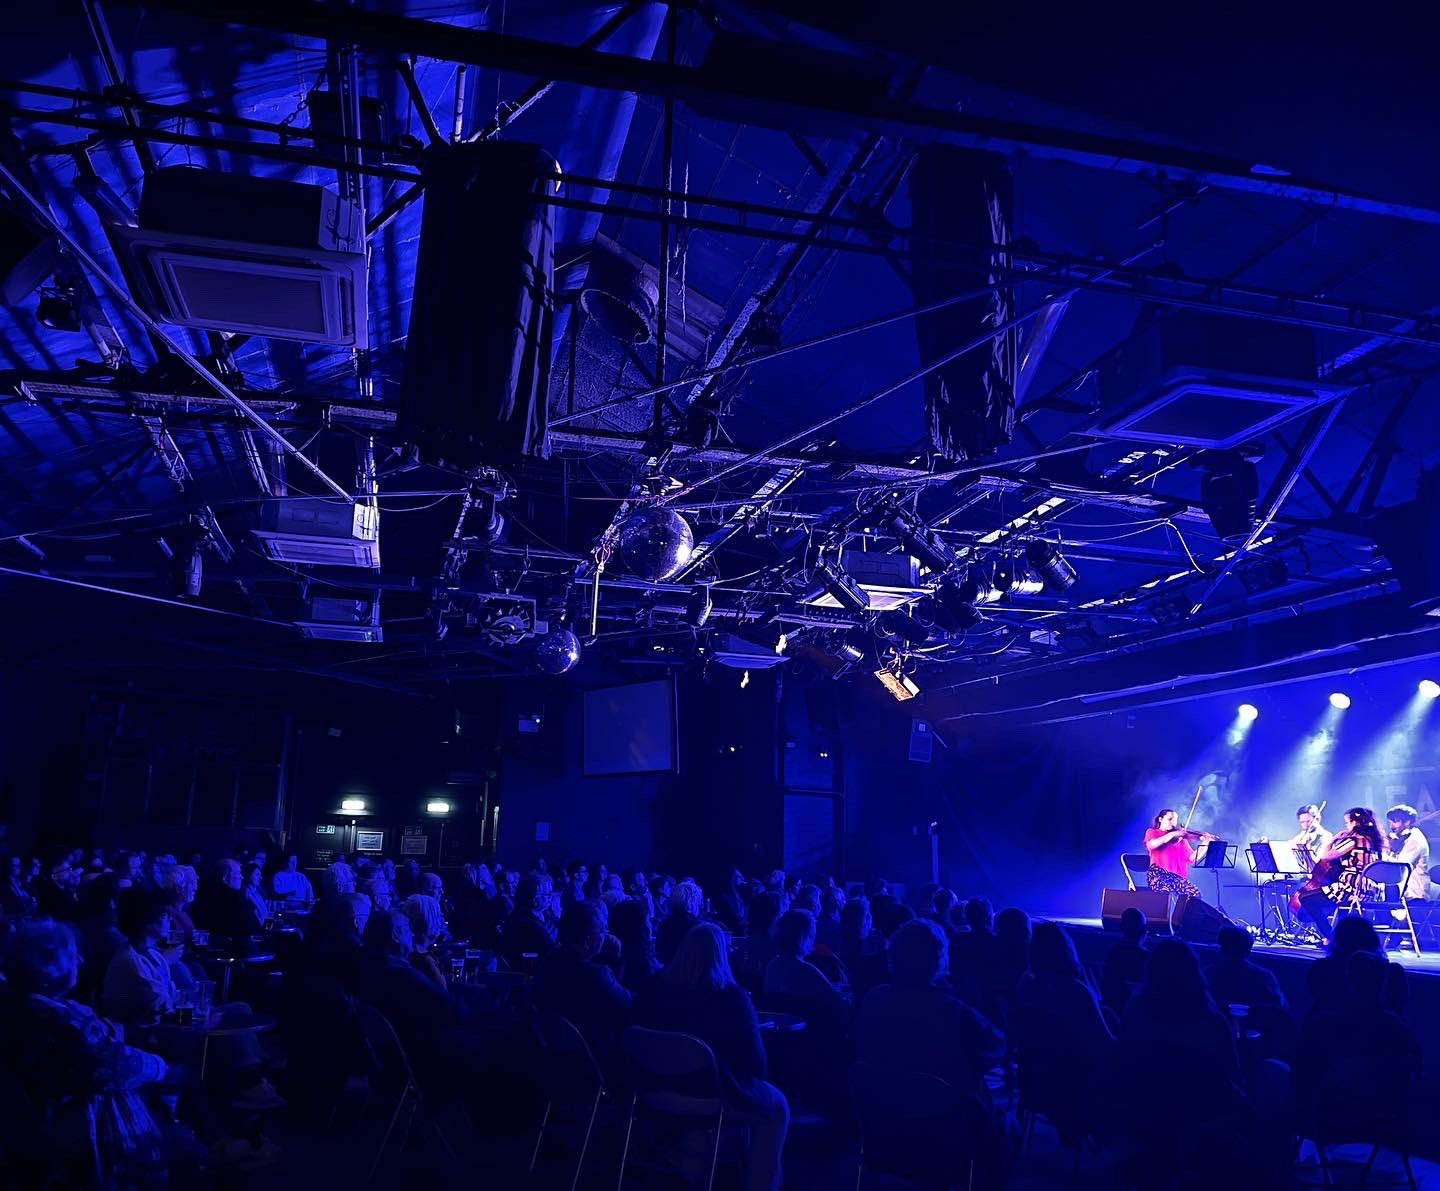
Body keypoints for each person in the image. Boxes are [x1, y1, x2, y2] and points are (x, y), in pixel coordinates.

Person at [1, 917, 183, 1184]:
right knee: (188, 1152)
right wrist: (164, 1069)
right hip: (76, 1138)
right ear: (49, 968)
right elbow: (114, 1066)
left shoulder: (16, 1008)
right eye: (74, 955)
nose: (81, 962)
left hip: (29, 1132)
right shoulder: (61, 1022)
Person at [637, 922, 788, 1191]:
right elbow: (757, 1067)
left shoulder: (651, 988)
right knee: (777, 1107)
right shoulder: (732, 999)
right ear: (722, 953)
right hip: (709, 1097)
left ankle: (690, 1158)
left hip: (654, 1092)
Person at [855, 919, 1004, 1097]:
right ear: (939, 958)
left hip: (881, 1111)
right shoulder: (953, 1010)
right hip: (944, 1116)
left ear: (892, 956)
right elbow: (995, 1047)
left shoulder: (873, 998)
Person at [532, 900, 633, 1060]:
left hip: (555, 1053)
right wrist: (616, 960)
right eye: (603, 930)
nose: (606, 935)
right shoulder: (597, 974)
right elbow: (628, 1004)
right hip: (592, 1055)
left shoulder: (549, 960)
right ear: (587, 941)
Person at [763, 908, 851, 1021]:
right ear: (805, 937)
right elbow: (840, 1005)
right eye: (812, 934)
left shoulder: (772, 965)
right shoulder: (807, 970)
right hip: (811, 1033)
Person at [1205, 925, 1287, 1011]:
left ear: (1221, 947)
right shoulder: (1263, 976)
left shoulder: (1208, 975)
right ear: (1248, 949)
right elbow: (1280, 1007)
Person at [1143, 808, 1213, 899]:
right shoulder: (1152, 832)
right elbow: (1152, 845)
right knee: (1166, 894)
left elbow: (1192, 858)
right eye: (1170, 819)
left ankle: (1182, 913)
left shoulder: (1181, 839)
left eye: (1175, 820)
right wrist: (1174, 834)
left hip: (1177, 879)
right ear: (1160, 819)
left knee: (1195, 895)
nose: (1173, 823)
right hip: (1159, 876)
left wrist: (1206, 843)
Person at [501, 872, 558, 970]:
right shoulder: (523, 921)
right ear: (532, 897)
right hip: (533, 974)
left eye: (551, 893)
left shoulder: (545, 913)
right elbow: (552, 951)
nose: (551, 897)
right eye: (547, 894)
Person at [401, 893, 449, 988]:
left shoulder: (408, 951)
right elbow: (443, 995)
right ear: (427, 920)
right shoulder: (424, 959)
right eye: (438, 915)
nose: (441, 919)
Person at [1384, 803, 1431, 901]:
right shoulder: (1403, 838)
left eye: (1395, 821)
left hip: (1415, 895)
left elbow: (1400, 866)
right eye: (1390, 822)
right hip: (1406, 894)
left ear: (1407, 822)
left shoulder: (1415, 839)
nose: (1391, 826)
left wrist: (1383, 854)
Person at [655, 877, 705, 964]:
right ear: (692, 901)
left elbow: (660, 955)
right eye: (698, 901)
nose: (700, 905)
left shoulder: (664, 924)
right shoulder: (697, 926)